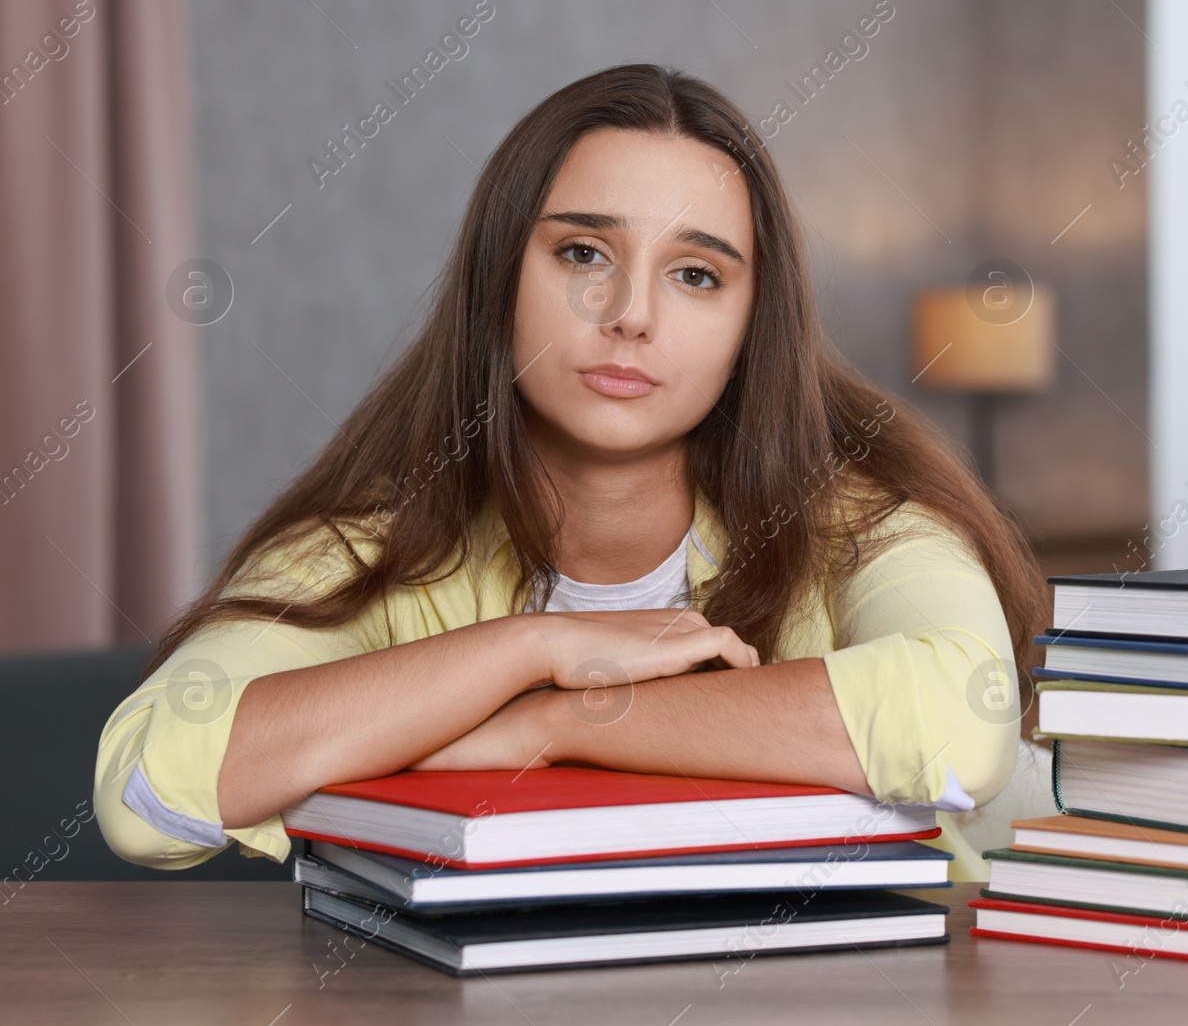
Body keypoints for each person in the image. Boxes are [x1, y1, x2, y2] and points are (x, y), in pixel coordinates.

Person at [93, 63, 1049, 882]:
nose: (631, 313)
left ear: (754, 326)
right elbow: (147, 789)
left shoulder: (862, 519)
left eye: (696, 274)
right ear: (501, 277)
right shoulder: (372, 547)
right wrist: (527, 650)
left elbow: (965, 722)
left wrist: (553, 724)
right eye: (584, 252)